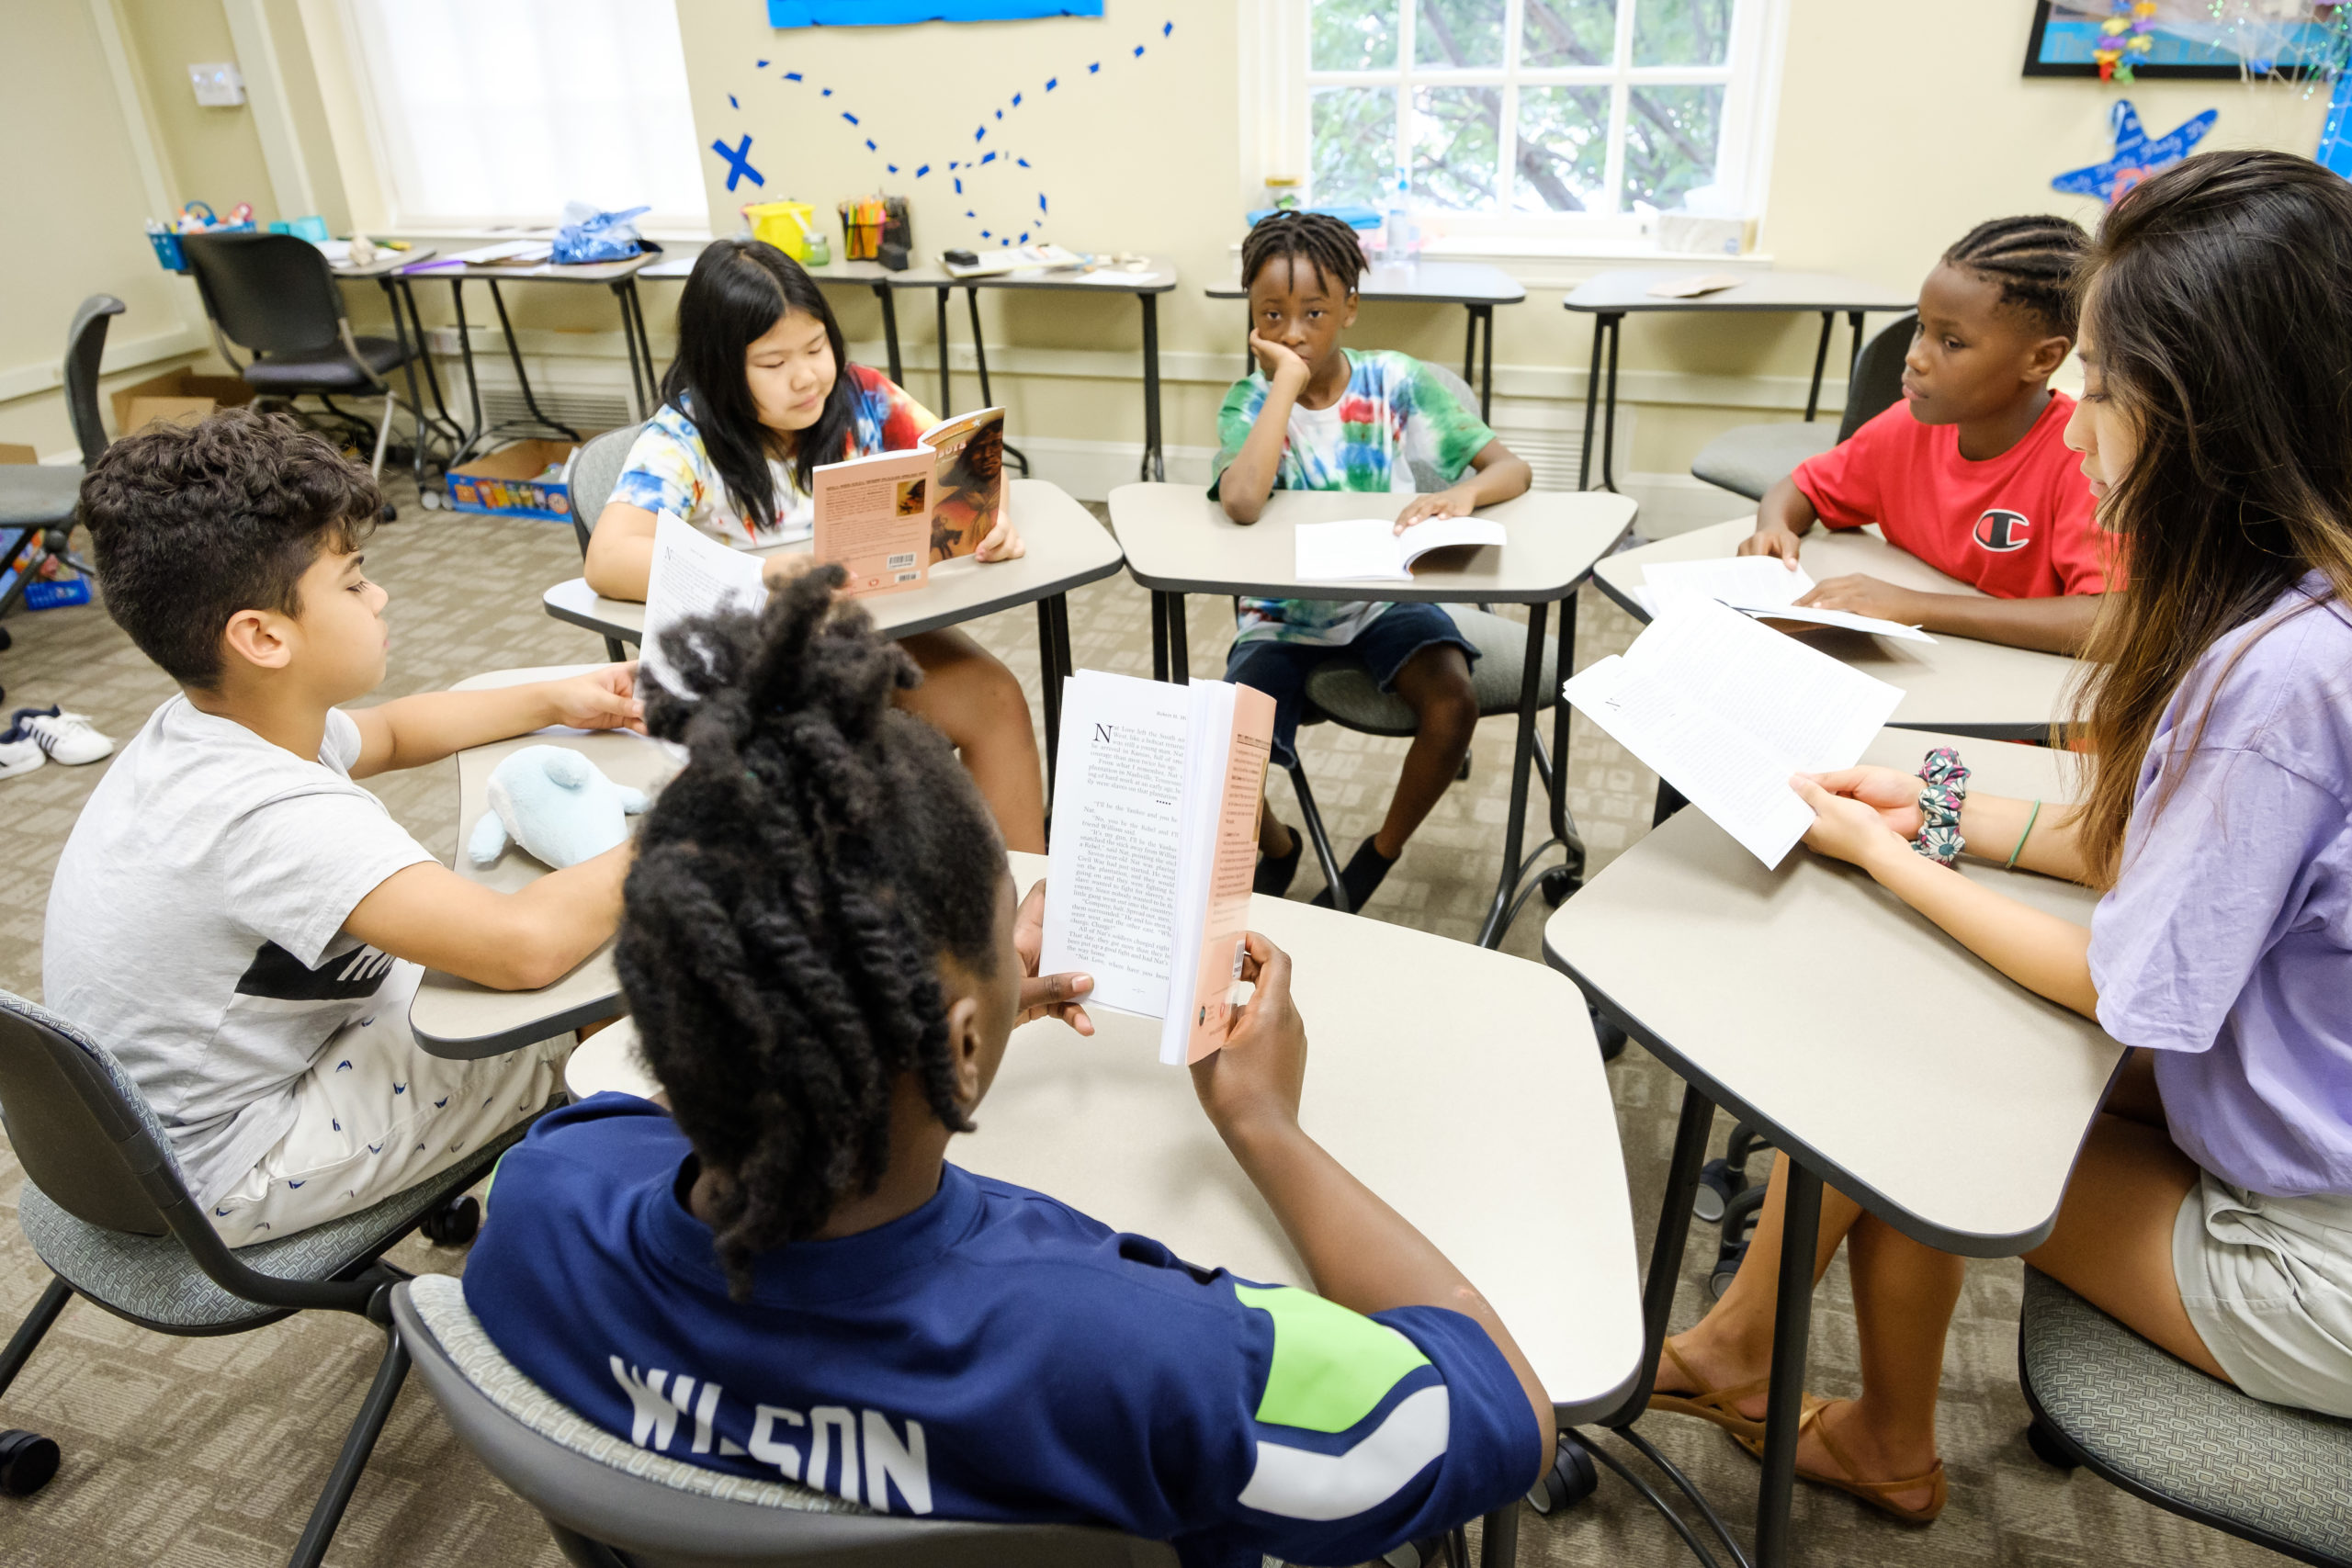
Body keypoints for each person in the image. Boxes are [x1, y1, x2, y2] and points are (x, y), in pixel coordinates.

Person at [463, 570, 1553, 1568]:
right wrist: (1266, 1121)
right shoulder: (1139, 1363)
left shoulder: (540, 1199)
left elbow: (689, 1081)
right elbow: (1501, 1409)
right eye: (999, 932)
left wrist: (940, 1004)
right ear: (964, 1042)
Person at [1652, 151, 2352, 1522]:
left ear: (2199, 407)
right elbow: (2155, 848)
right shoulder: (2301, 604)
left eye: (2094, 375)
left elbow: (2126, 982)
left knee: (1901, 1099)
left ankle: (1757, 1364)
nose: (2073, 415)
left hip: (2310, 1259)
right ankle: (1840, 1411)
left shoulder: (2280, 678)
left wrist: (1890, 857)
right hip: (2302, 1107)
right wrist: (1946, 804)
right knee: (1921, 1050)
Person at [47, 410, 641, 1244]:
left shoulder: (224, 720)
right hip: (223, 1166)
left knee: (495, 954)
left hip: (154, 1122)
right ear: (261, 636)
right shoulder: (267, 815)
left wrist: (558, 696)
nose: (380, 594)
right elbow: (524, 944)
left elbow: (395, 731)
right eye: (354, 582)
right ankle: (613, 1238)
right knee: (589, 1001)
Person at [583, 238, 1046, 853]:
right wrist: (767, 572)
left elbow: (967, 459)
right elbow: (609, 557)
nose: (806, 377)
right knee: (847, 772)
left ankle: (1023, 925)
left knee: (995, 698)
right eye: (773, 363)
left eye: (816, 347)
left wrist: (993, 516)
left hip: (864, 638)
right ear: (718, 367)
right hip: (754, 667)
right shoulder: (685, 437)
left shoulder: (860, 397)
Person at [1213, 210, 1534, 911]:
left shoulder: (1396, 382)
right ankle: (1280, 845)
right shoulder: (1249, 403)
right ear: (1251, 316)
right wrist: (1285, 386)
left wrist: (1464, 493)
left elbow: (1511, 469)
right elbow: (1240, 500)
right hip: (1283, 616)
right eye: (1272, 314)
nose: (1293, 332)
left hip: (1385, 599)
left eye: (1314, 313)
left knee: (1455, 704)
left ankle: (1375, 855)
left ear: (1350, 306)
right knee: (1223, 752)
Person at [1739, 215, 2109, 655]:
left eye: (1952, 343)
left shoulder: (2086, 464)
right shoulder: (1906, 428)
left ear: (2041, 359)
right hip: (1924, 667)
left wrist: (1918, 606)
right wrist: (1775, 527)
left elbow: (2109, 622)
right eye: (1921, 328)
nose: (1915, 357)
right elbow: (1802, 487)